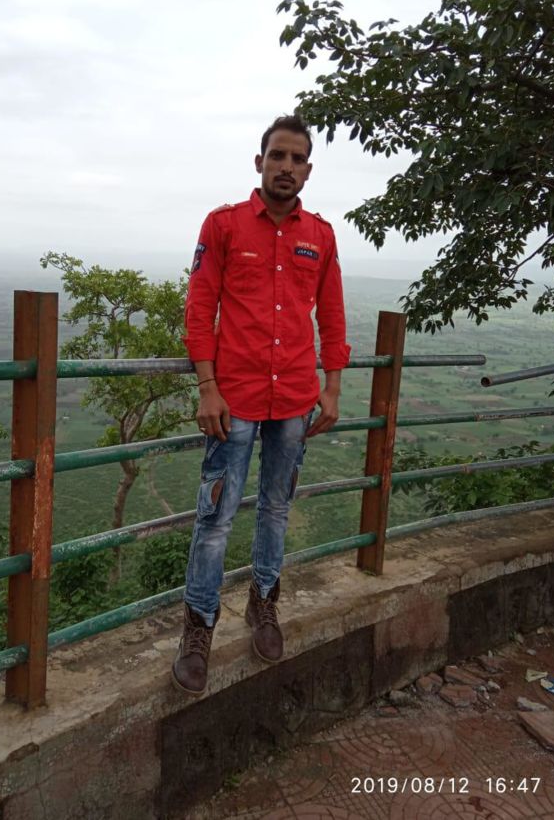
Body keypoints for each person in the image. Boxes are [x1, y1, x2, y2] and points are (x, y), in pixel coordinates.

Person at [172, 114, 351, 696]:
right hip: (235, 400)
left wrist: (332, 386)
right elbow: (199, 308)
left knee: (277, 509)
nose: (286, 167)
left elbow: (332, 314)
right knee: (215, 518)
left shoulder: (320, 235)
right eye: (278, 156)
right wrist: (207, 386)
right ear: (260, 162)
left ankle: (263, 603)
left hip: (295, 397)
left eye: (297, 159)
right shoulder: (223, 225)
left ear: (308, 170)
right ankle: (199, 626)